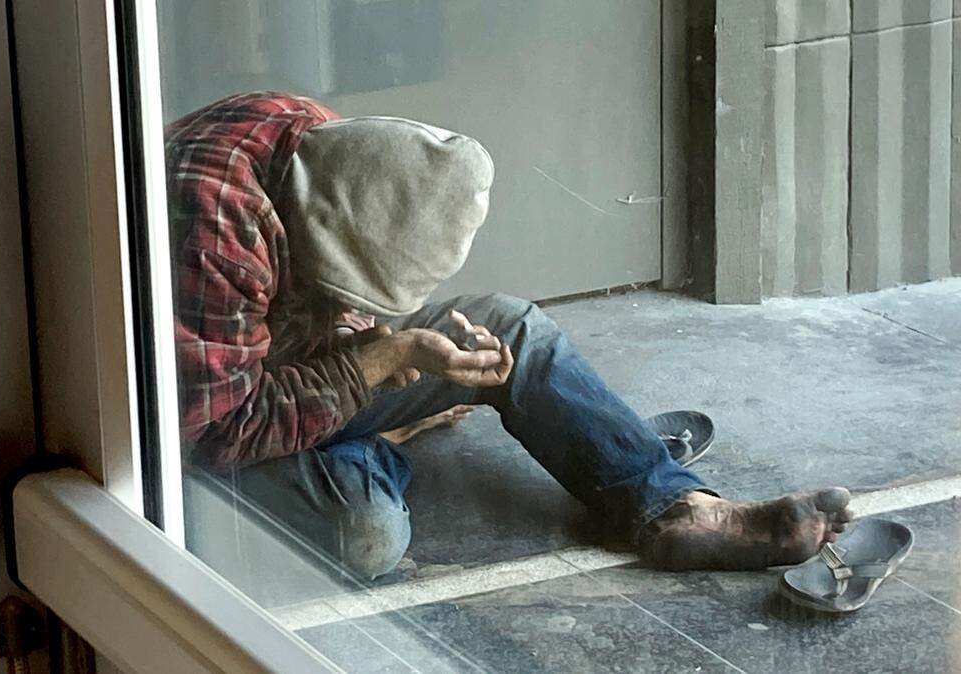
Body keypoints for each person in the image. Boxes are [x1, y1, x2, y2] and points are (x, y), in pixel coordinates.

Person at [168, 91, 853, 579]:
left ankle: (676, 507)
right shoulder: (214, 231)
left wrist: (378, 341)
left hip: (272, 366)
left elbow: (344, 295)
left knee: (511, 331)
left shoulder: (326, 145)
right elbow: (218, 427)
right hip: (191, 430)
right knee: (365, 535)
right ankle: (373, 447)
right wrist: (376, 362)